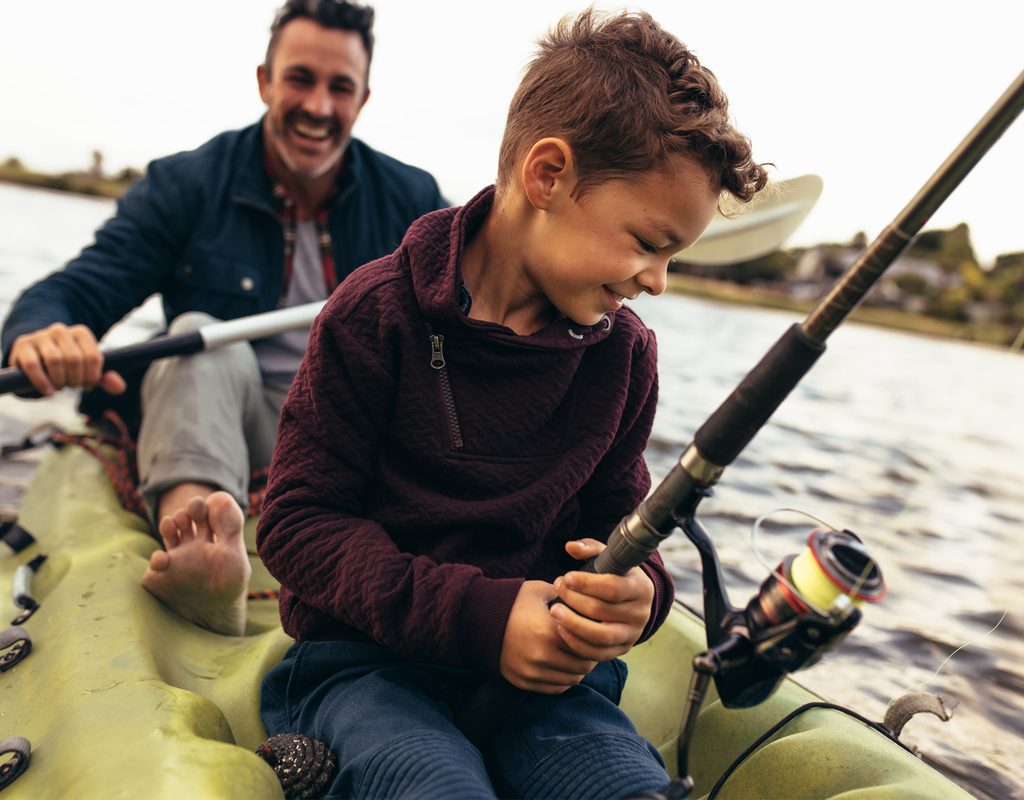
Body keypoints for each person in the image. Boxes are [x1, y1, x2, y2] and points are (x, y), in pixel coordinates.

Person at [254, 8, 768, 799]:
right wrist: (485, 620)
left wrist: (641, 597)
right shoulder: (373, 313)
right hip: (366, 669)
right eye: (647, 242)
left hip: (550, 692)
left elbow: (619, 522)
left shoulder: (625, 356)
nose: (658, 280)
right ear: (549, 175)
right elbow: (296, 524)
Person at [0, 0, 447, 637]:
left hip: (347, 430)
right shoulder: (188, 185)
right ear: (265, 81)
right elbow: (72, 291)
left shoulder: (413, 200)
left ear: (362, 99)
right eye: (300, 79)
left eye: (338, 87)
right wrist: (40, 335)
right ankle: (203, 542)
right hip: (227, 422)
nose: (318, 106)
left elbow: (486, 292)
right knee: (197, 335)